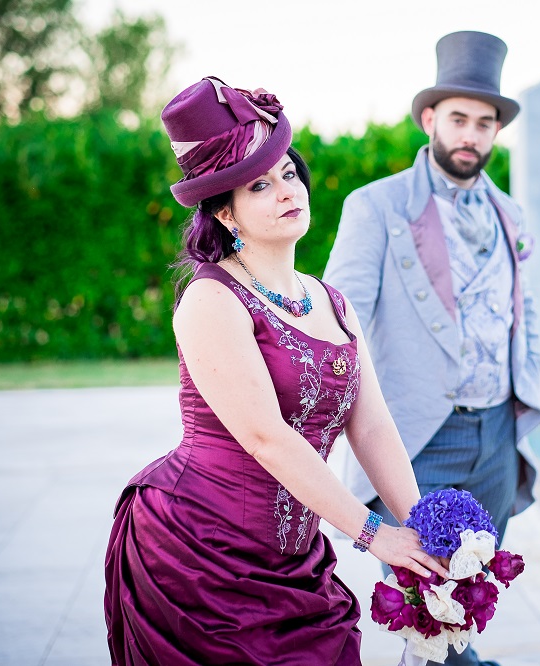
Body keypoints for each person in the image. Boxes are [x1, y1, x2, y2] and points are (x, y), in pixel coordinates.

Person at [103, 76, 448, 666]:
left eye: (289, 173)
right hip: (199, 553)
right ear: (224, 212)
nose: (287, 190)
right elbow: (267, 437)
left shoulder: (331, 301)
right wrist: (373, 536)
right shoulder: (212, 299)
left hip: (296, 557)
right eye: (259, 185)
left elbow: (372, 428)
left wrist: (423, 533)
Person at [324, 31, 540, 666]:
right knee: (423, 602)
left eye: (484, 122)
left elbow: (526, 317)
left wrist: (526, 393)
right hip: (420, 434)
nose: (471, 134)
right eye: (458, 119)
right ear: (429, 120)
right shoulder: (376, 207)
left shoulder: (512, 217)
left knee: (467, 598)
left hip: (497, 436)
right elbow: (342, 323)